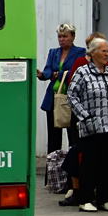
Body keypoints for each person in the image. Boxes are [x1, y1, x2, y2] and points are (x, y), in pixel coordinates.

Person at [66, 36, 108, 212]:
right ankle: (85, 199)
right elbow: (72, 96)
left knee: (107, 164)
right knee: (90, 163)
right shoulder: (82, 72)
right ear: (92, 53)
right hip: (92, 126)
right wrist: (84, 116)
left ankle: (104, 199)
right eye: (104, 51)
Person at [37, 23, 86, 154]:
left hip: (71, 98)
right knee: (53, 138)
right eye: (59, 36)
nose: (61, 39)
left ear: (73, 37)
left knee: (73, 137)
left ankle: (73, 169)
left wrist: (58, 74)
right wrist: (43, 75)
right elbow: (48, 69)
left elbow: (77, 72)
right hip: (53, 98)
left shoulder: (80, 52)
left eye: (65, 36)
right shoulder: (53, 52)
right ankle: (52, 169)